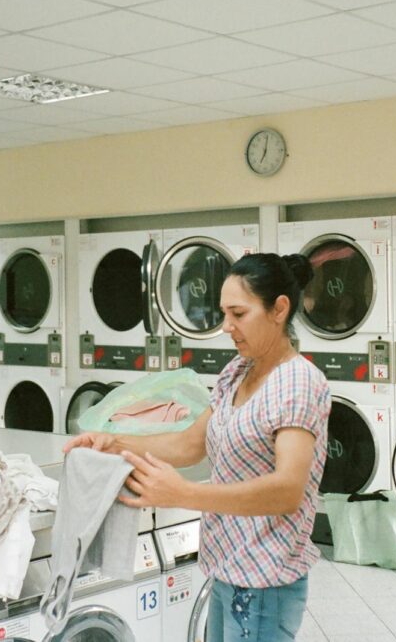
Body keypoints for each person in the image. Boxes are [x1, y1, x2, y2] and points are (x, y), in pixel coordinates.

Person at [65, 253, 331, 641]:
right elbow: (191, 444)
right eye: (224, 314)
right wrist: (114, 443)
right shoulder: (237, 372)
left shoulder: (297, 383)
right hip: (226, 568)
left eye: (239, 314)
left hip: (264, 580)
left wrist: (185, 494)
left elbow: (288, 490)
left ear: (279, 309)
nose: (227, 327)